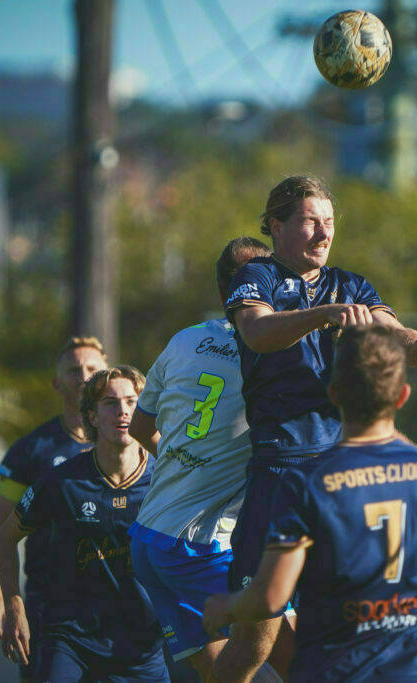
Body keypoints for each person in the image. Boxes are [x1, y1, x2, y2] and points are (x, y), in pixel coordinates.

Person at [217, 175, 417, 679]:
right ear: (277, 226)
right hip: (282, 469)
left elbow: (392, 332)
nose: (323, 233)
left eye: (328, 222)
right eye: (309, 221)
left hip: (341, 472)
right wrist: (321, 315)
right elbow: (257, 332)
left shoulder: (351, 283)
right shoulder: (257, 276)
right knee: (254, 639)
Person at [202, 325, 417, 681]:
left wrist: (225, 608)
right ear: (402, 396)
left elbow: (270, 596)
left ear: (334, 395)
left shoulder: (308, 483)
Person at [128, 236, 282, 683]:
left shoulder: (184, 340)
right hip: (197, 545)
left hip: (148, 539)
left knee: (222, 676)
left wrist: (185, 460)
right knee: (301, 657)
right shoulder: (270, 355)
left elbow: (141, 427)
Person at [0, 366, 169, 682]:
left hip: (142, 646)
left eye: (132, 402)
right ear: (91, 416)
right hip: (69, 639)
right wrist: (13, 605)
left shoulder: (168, 479)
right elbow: (4, 539)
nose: (123, 412)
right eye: (111, 403)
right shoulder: (60, 481)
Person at [0, 336, 108, 682]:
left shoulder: (132, 445)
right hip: (50, 608)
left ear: (106, 376)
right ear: (57, 382)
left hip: (119, 610)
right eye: (73, 369)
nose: (83, 375)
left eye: (92, 368)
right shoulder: (31, 451)